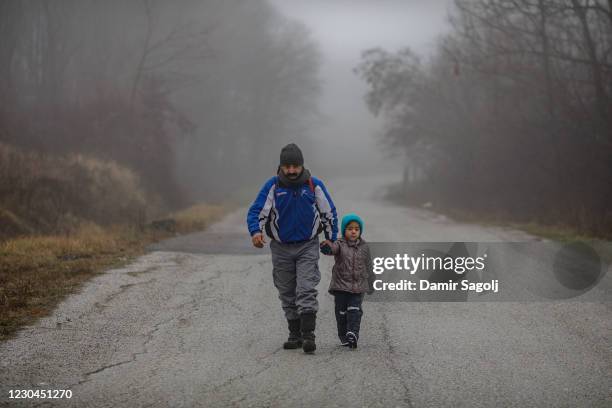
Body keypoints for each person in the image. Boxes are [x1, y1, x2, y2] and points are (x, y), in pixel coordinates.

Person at [247, 143, 338, 354]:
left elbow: (329, 213)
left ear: (302, 165)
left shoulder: (313, 185)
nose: (291, 171)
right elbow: (256, 212)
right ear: (280, 167)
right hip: (281, 247)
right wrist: (255, 232)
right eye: (287, 166)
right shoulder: (273, 186)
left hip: (308, 245)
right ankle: (294, 334)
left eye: (295, 166)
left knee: (306, 288)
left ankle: (308, 335)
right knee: (287, 291)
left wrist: (331, 239)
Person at [320, 213, 374, 349]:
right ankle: (343, 335)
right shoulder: (340, 244)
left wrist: (372, 281)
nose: (353, 231)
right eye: (350, 229)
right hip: (341, 287)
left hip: (358, 286)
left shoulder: (364, 247)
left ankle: (353, 333)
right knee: (341, 313)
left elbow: (369, 265)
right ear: (344, 230)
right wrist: (327, 247)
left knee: (355, 310)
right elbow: (332, 249)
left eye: (356, 229)